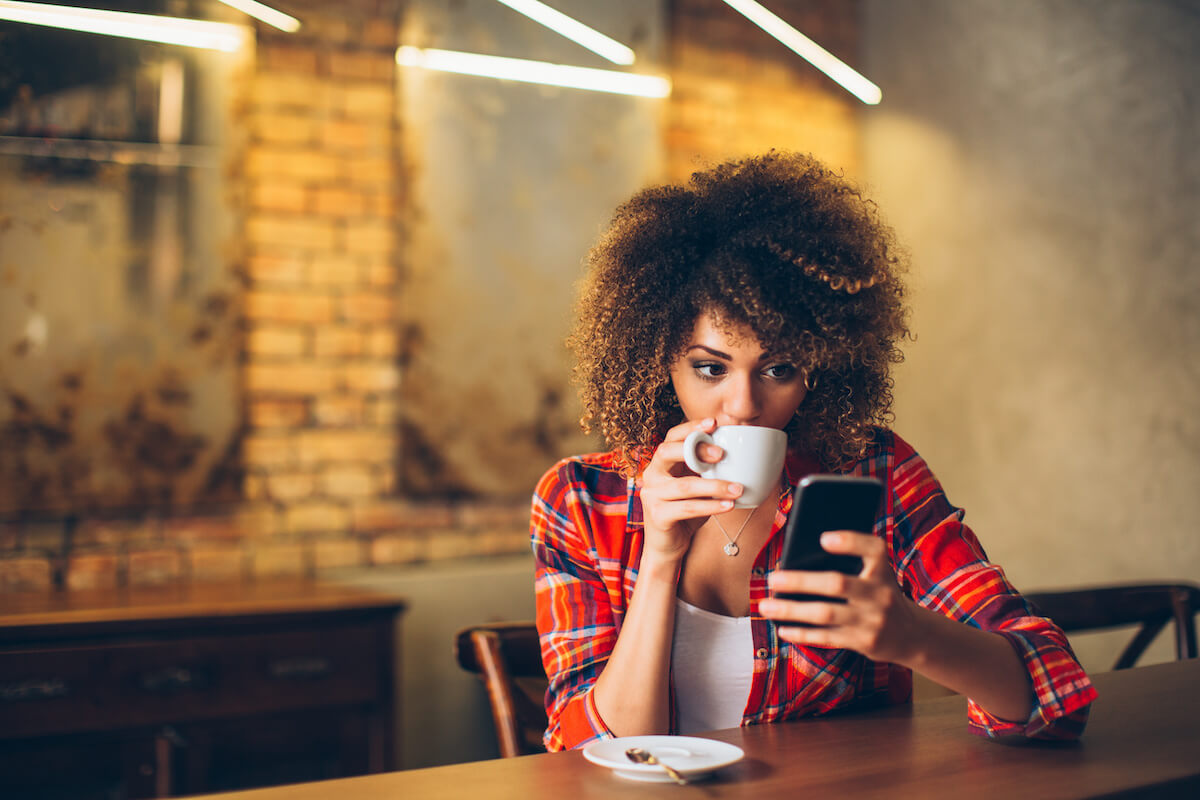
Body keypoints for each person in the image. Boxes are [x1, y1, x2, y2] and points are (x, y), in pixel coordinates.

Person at [530, 151, 1096, 752]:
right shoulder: (583, 500)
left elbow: (1056, 699)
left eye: (778, 367)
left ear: (821, 368)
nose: (743, 404)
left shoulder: (870, 472)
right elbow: (589, 754)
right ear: (657, 358)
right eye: (709, 368)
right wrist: (661, 559)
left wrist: (909, 634)